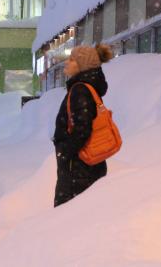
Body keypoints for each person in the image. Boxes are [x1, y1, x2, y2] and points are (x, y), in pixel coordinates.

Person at [52, 44, 113, 207]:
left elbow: (82, 129)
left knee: (66, 215)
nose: (67, 62)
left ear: (82, 66)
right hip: (86, 166)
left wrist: (66, 151)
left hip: (79, 168)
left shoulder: (80, 90)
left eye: (72, 59)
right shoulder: (87, 88)